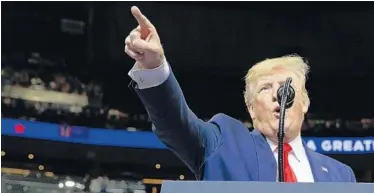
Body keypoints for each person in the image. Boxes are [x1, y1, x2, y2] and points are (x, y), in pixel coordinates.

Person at [124, 6, 356, 182]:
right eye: (266, 88)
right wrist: (155, 68)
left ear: (304, 103)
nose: (278, 95)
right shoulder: (223, 142)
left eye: (287, 88)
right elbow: (175, 124)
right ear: (251, 108)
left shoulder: (340, 175)